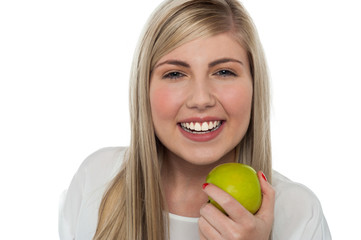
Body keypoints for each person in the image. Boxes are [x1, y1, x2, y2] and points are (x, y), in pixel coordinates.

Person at [59, 0, 332, 239]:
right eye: (175, 74)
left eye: (224, 72)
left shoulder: (299, 213)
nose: (201, 99)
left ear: (254, 85)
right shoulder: (97, 179)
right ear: (145, 89)